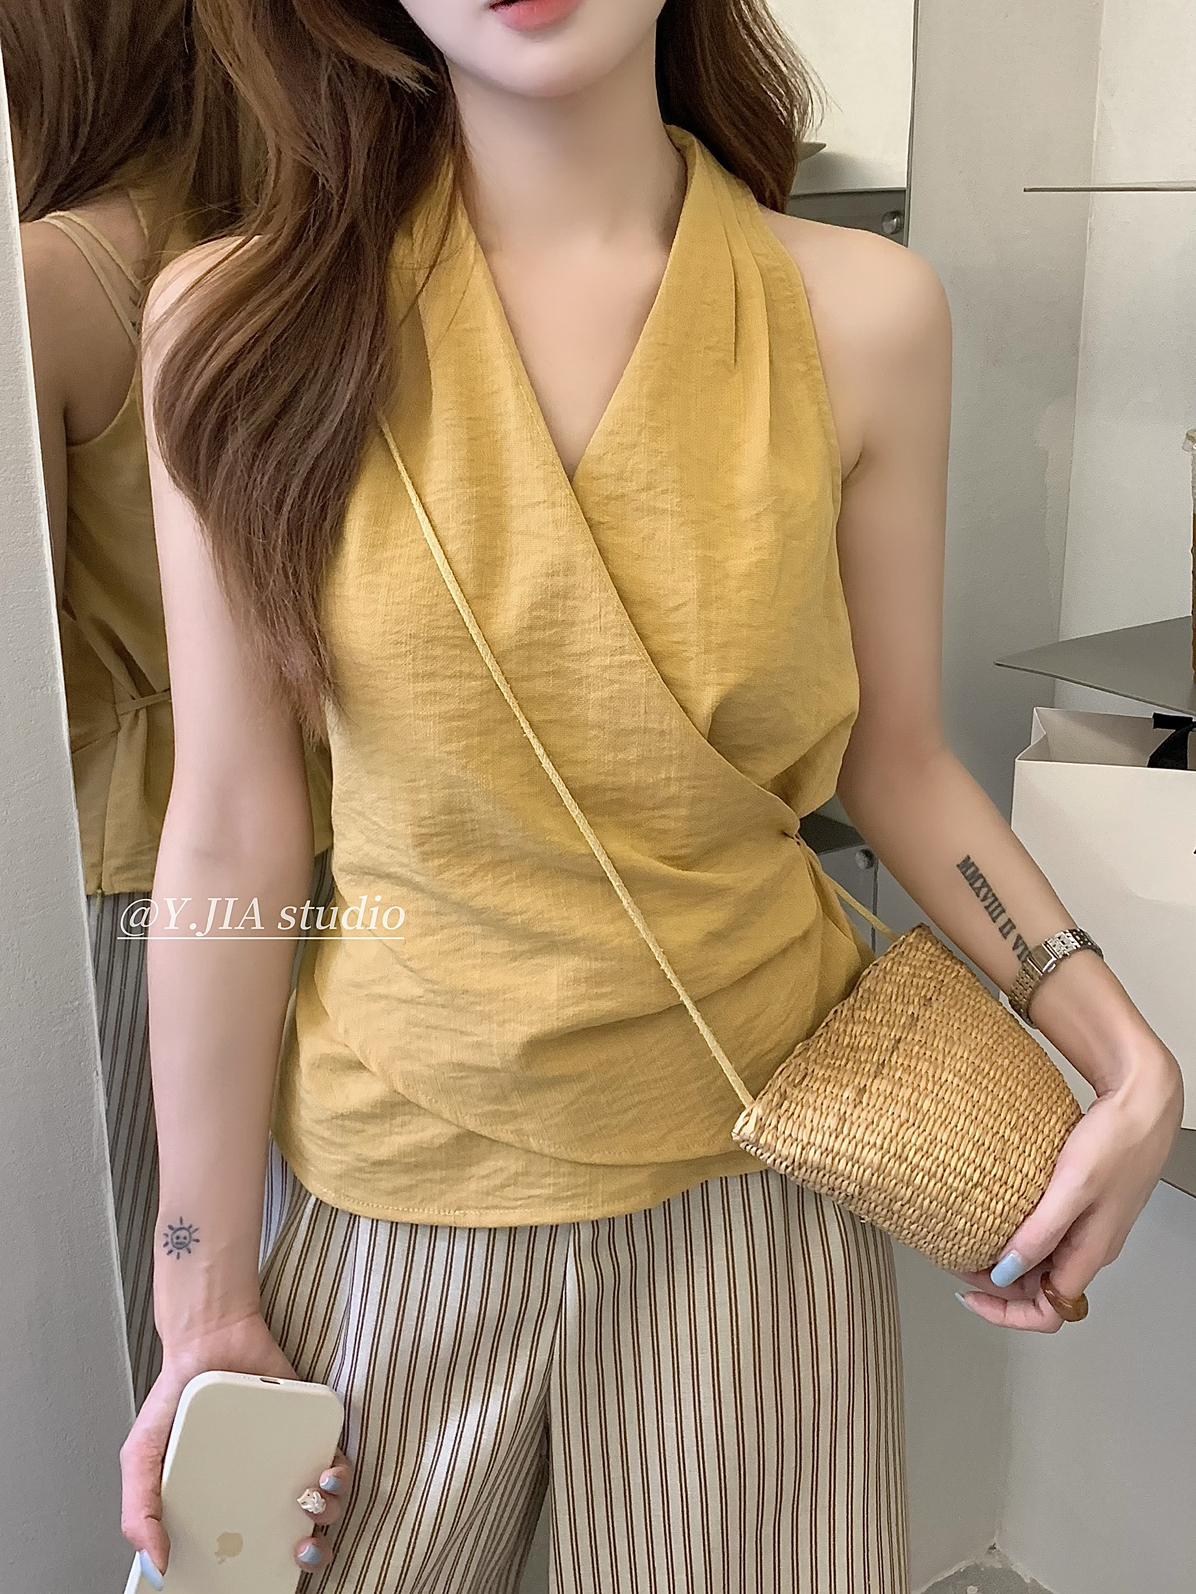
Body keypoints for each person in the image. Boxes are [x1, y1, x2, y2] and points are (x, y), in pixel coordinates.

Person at [119, 2, 1183, 1589]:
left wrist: (1120, 1046)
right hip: (398, 1190)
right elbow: (230, 825)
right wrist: (197, 1290)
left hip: (755, 1187)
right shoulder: (241, 322)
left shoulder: (863, 316)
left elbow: (893, 756)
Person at [4, 0, 333, 1410]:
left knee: (156, 1324)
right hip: (338, 842)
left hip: (133, 877)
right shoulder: (307, 254)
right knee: (311, 1293)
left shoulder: (53, 276)